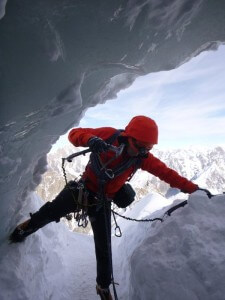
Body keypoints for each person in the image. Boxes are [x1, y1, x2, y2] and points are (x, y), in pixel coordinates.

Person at [10, 115, 210, 300]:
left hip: (102, 201)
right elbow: (74, 134)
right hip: (83, 188)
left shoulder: (141, 158)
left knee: (104, 248)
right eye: (140, 147)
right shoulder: (107, 135)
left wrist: (195, 190)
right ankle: (26, 228)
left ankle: (103, 287)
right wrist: (90, 140)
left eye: (147, 150)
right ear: (128, 137)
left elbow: (168, 174)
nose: (142, 153)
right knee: (51, 211)